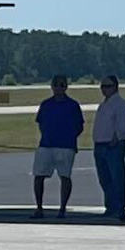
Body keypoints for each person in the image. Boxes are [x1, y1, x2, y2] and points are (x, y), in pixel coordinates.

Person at [30, 76, 83, 221]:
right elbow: (40, 123)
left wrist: (69, 137)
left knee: (65, 176)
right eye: (56, 85)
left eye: (61, 85)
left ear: (66, 87)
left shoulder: (73, 105)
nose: (59, 88)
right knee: (38, 176)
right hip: (46, 144)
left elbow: (79, 126)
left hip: (66, 146)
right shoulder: (46, 104)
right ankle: (39, 208)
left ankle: (62, 209)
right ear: (52, 86)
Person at [90, 77, 125, 222]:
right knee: (104, 179)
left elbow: (122, 126)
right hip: (100, 145)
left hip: (111, 146)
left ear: (115, 87)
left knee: (116, 178)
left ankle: (119, 208)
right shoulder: (104, 105)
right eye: (102, 86)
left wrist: (116, 139)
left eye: (108, 86)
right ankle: (110, 206)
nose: (104, 89)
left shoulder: (120, 104)